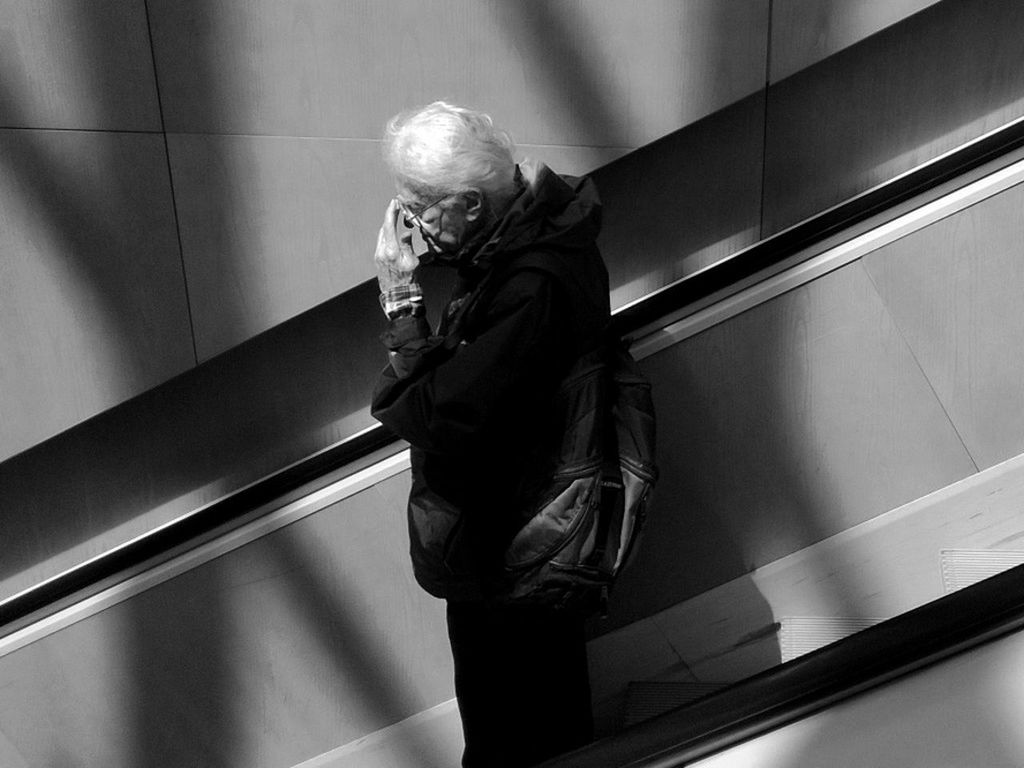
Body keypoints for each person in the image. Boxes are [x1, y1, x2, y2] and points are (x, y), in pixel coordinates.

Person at [370, 101, 611, 767]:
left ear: (472, 205)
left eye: (420, 203)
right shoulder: (545, 237)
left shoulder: (532, 284)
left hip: (516, 541)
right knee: (546, 708)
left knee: (512, 728)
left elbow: (438, 416)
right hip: (531, 523)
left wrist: (400, 300)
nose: (408, 219)